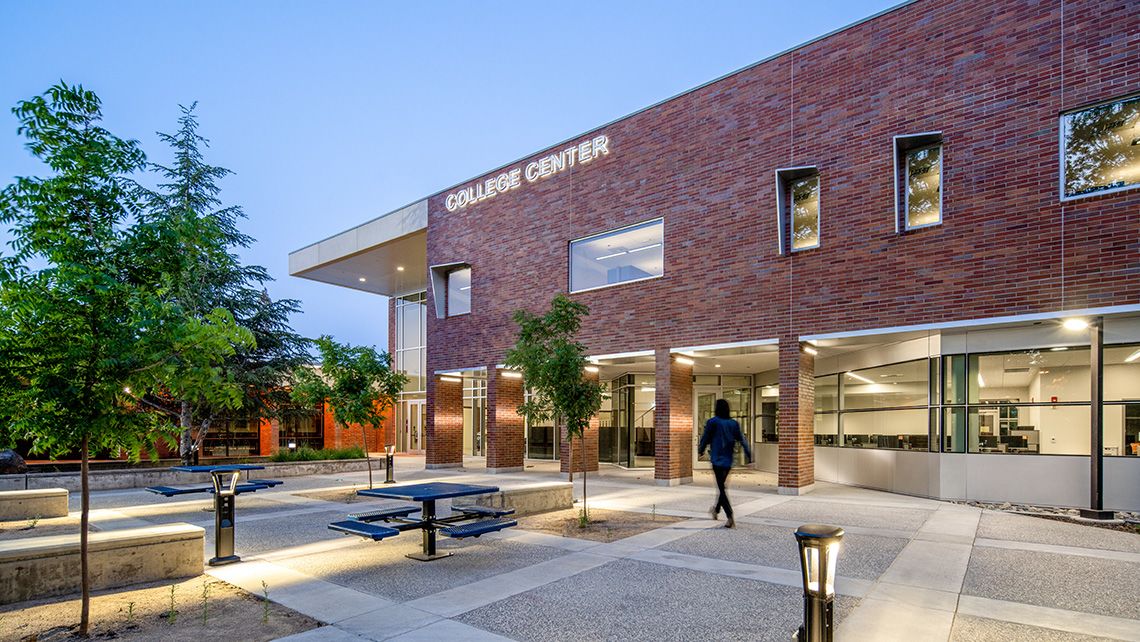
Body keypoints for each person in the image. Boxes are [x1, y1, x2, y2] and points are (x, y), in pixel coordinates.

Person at [698, 398, 752, 528]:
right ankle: (716, 510)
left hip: (717, 459)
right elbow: (742, 439)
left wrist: (700, 450)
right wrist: (748, 454)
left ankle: (730, 516)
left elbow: (705, 437)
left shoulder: (712, 422)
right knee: (721, 487)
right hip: (728, 460)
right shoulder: (733, 423)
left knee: (721, 488)